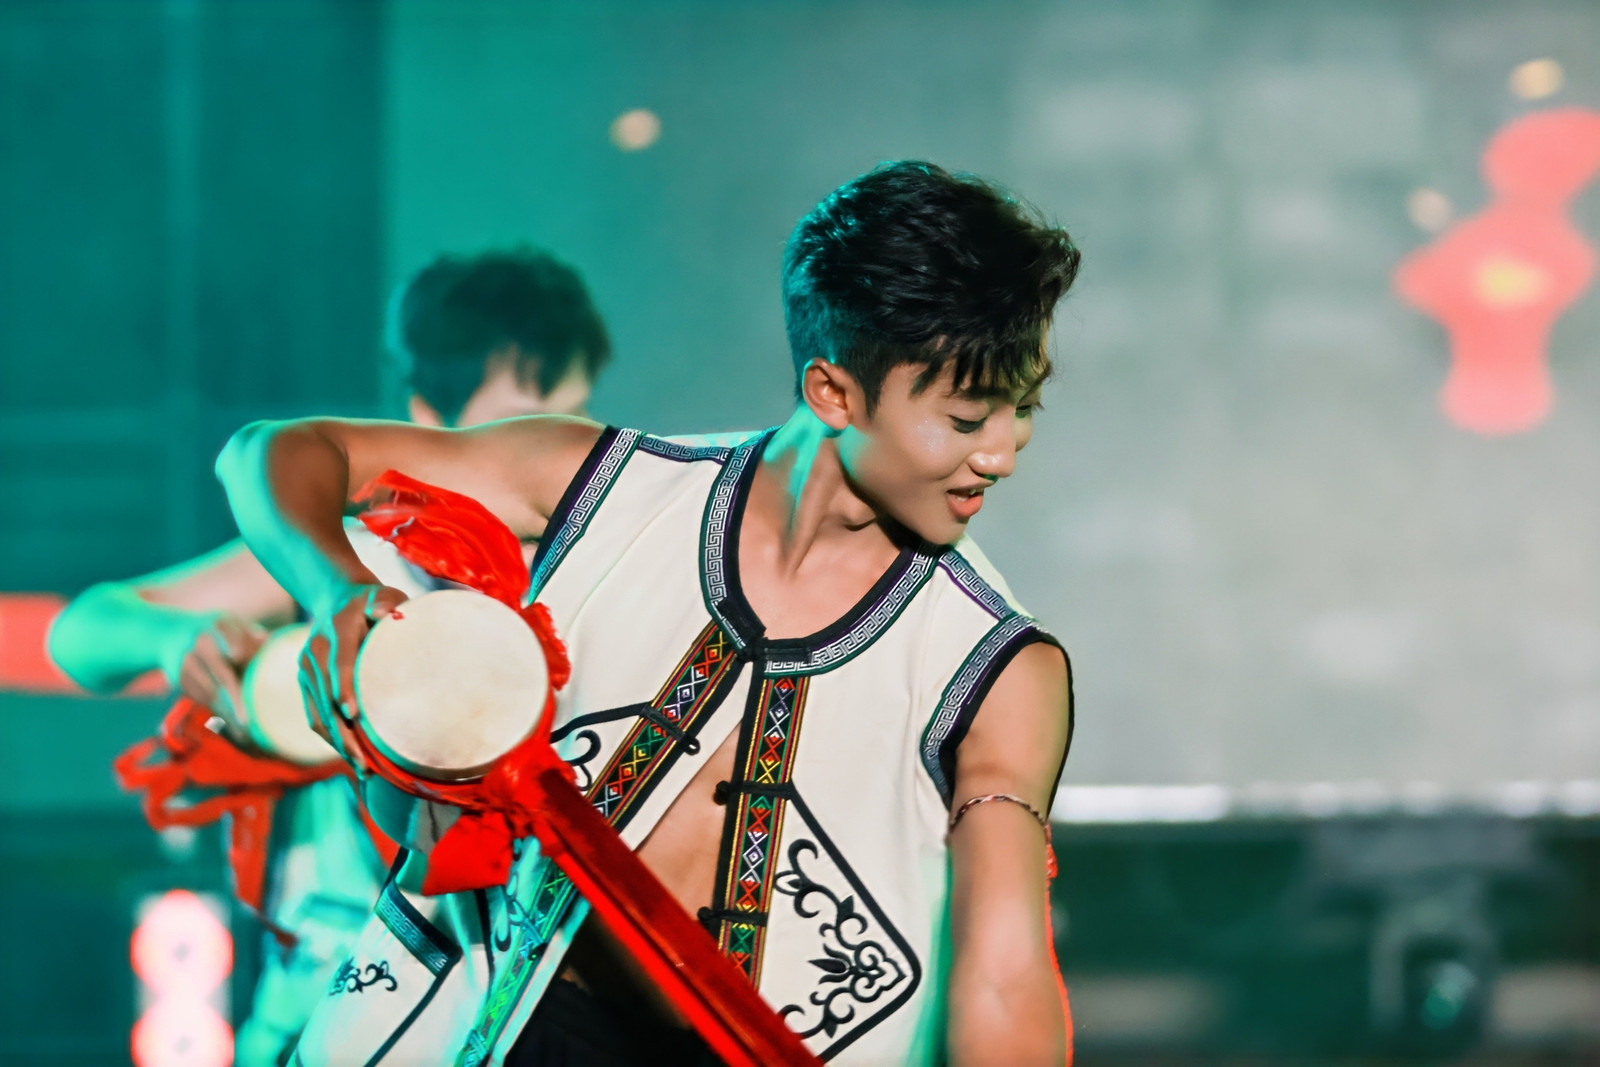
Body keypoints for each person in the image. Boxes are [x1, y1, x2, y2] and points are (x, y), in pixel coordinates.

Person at [220, 161, 1081, 1067]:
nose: (1003, 453)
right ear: (832, 392)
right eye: (967, 418)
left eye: (1022, 409)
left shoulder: (998, 667)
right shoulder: (609, 488)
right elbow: (278, 453)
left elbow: (1004, 975)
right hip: (489, 1027)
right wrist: (338, 588)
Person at [49, 246, 612, 1067]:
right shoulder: (358, 557)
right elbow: (80, 634)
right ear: (424, 418)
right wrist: (173, 639)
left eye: (575, 416)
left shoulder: (602, 559)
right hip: (334, 997)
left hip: (516, 1009)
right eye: (523, 422)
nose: (555, 448)